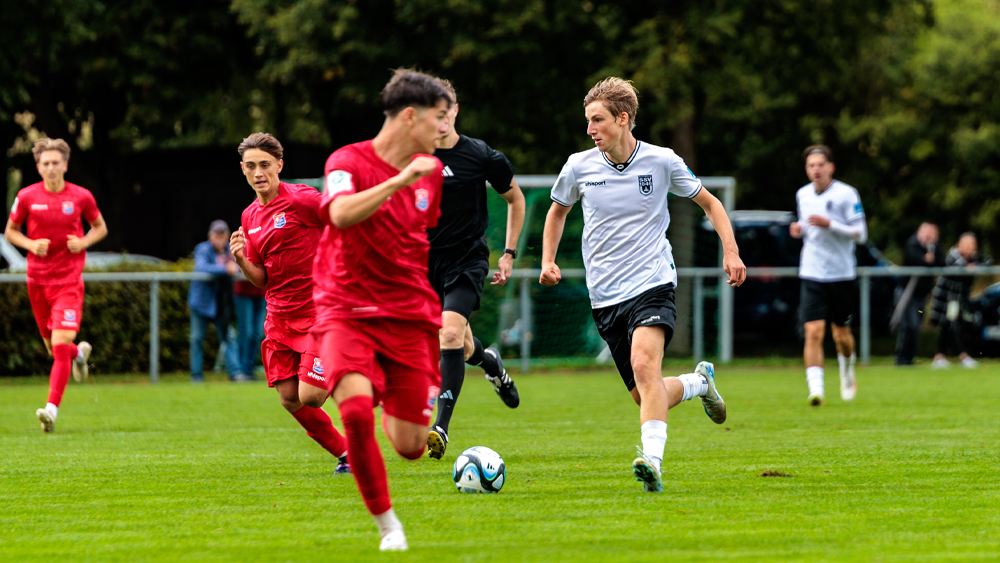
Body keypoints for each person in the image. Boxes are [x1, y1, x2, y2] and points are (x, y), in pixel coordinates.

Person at [539, 77, 746, 493]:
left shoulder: (662, 161)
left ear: (623, 118)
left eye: (597, 120)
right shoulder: (578, 166)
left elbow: (710, 202)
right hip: (605, 295)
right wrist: (547, 260)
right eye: (587, 121)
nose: (589, 129)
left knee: (644, 366)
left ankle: (652, 462)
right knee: (645, 394)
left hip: (652, 281)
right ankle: (699, 383)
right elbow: (557, 212)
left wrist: (731, 251)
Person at [311, 69, 450, 551]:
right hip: (344, 308)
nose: (443, 129)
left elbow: (418, 236)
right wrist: (401, 180)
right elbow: (340, 213)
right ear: (409, 116)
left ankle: (394, 383)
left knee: (411, 446)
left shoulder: (431, 177)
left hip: (408, 316)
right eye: (438, 118)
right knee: (353, 413)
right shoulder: (346, 160)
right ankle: (389, 526)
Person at [229, 132, 350, 474]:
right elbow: (261, 279)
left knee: (312, 395)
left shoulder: (302, 200)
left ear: (279, 165)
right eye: (251, 166)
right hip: (280, 318)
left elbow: (341, 218)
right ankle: (347, 454)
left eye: (265, 165)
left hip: (318, 313)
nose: (258, 173)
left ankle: (362, 367)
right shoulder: (249, 216)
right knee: (289, 398)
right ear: (243, 169)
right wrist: (240, 258)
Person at [424, 80, 526, 459]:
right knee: (463, 345)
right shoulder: (411, 159)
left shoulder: (482, 156)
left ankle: (441, 428)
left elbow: (515, 200)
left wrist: (509, 253)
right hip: (424, 264)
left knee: (448, 335)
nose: (440, 119)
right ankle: (491, 362)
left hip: (467, 260)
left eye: (444, 111)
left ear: (455, 110)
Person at [4, 138, 107, 432]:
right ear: (38, 167)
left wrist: (83, 241)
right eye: (45, 163)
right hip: (37, 282)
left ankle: (51, 411)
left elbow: (100, 227)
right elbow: (10, 232)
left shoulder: (81, 196)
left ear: (65, 164)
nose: (50, 168)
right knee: (57, 350)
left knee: (60, 344)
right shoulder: (26, 196)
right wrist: (30, 243)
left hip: (68, 282)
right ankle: (79, 355)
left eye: (55, 162)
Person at [790, 144, 868, 406]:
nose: (816, 169)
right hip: (812, 272)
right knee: (813, 331)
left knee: (841, 336)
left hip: (842, 274)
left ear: (830, 167)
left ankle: (847, 369)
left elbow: (861, 233)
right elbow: (808, 228)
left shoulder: (847, 194)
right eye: (811, 166)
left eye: (820, 165)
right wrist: (799, 229)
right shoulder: (803, 194)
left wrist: (830, 224)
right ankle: (816, 390)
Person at [188, 220, 244, 382]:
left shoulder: (230, 250)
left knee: (229, 337)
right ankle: (196, 375)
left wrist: (234, 267)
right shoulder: (202, 249)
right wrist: (225, 269)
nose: (220, 237)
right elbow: (201, 267)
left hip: (221, 304)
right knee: (197, 339)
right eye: (216, 234)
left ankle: (235, 373)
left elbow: (239, 267)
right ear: (210, 235)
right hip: (201, 303)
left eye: (223, 234)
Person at [929, 233, 991, 368]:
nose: (969, 248)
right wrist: (971, 267)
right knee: (948, 325)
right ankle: (962, 356)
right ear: (959, 245)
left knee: (948, 326)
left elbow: (987, 262)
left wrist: (975, 265)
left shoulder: (974, 258)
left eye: (972, 245)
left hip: (958, 298)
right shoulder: (953, 255)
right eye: (966, 244)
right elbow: (961, 267)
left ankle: (939, 356)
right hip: (946, 297)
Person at [893, 222, 944, 365]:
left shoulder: (935, 246)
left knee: (916, 326)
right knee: (908, 325)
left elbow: (941, 262)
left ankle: (909, 358)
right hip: (907, 292)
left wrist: (929, 258)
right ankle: (901, 358)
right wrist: (927, 260)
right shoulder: (912, 244)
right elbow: (915, 260)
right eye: (926, 232)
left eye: (932, 233)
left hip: (922, 295)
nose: (929, 236)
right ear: (919, 232)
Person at [233, 270, 266, 378]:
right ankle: (240, 370)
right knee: (247, 332)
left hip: (262, 293)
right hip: (244, 292)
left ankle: (249, 369)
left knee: (257, 333)